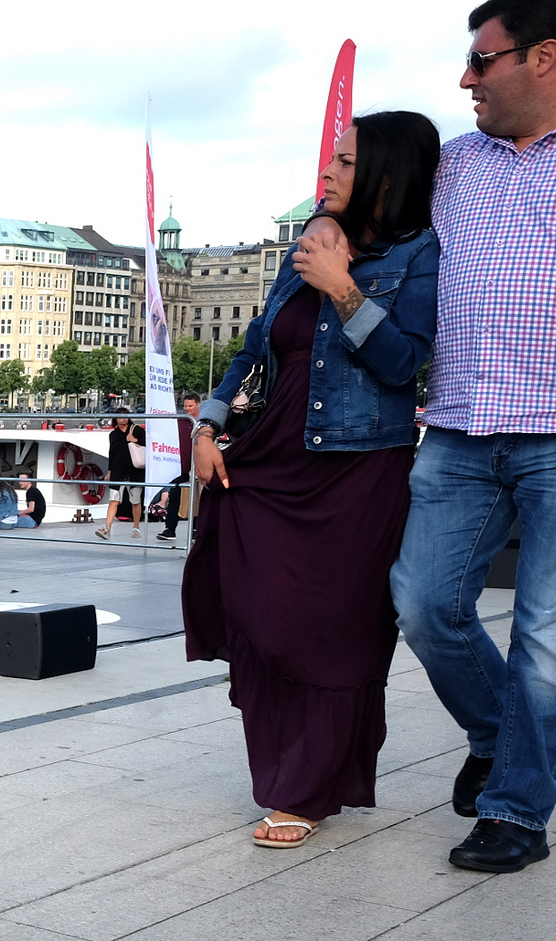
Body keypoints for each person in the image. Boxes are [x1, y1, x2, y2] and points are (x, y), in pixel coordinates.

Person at [374, 0, 556, 872]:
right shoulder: (454, 165)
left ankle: (517, 810)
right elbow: (385, 236)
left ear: (544, 56)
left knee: (552, 635)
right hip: (460, 428)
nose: (465, 78)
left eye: (483, 61)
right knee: (423, 605)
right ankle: (496, 731)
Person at [188, 110, 440, 849]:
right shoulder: (300, 249)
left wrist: (342, 288)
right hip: (270, 453)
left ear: (388, 176)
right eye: (331, 159)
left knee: (330, 629)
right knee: (261, 614)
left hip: (358, 466)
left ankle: (306, 788)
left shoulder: (420, 253)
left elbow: (402, 365)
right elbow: (253, 351)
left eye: (345, 162)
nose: (326, 174)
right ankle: (287, 770)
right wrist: (207, 424)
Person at [155, 392, 202, 542]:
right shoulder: (179, 422)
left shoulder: (205, 422)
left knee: (199, 499)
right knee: (174, 496)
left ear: (198, 404)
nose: (187, 409)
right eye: (185, 406)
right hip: (180, 467)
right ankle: (170, 529)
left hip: (199, 466)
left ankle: (196, 530)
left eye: (190, 406)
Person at [96, 410, 146, 539]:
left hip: (135, 470)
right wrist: (109, 471)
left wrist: (135, 440)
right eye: (120, 417)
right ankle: (107, 528)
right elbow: (111, 453)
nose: (123, 419)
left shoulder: (137, 430)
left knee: (135, 500)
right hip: (118, 471)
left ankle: (136, 527)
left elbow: (148, 444)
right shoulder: (113, 434)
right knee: (113, 499)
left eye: (126, 416)